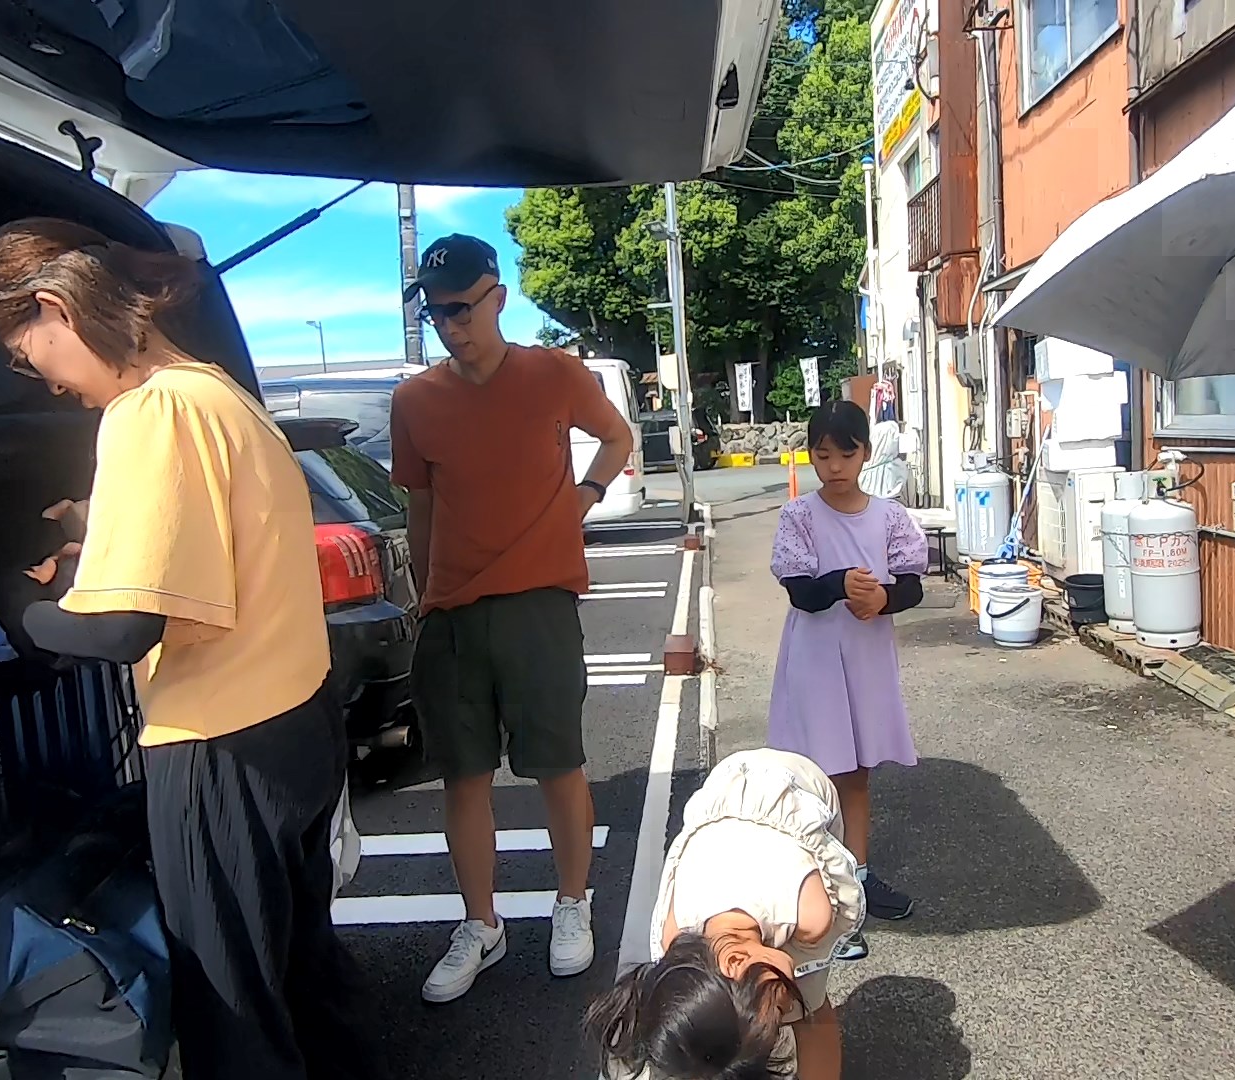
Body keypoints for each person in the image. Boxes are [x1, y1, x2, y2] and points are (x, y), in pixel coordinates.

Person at [0, 217, 373, 1080]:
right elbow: (210, 562)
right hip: (297, 724)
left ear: (53, 308)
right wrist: (88, 557)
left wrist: (16, 608)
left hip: (216, 740)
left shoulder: (146, 413)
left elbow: (124, 629)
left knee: (231, 1012)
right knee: (303, 982)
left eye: (24, 354)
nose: (44, 382)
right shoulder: (219, 395)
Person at [388, 233, 635, 1003]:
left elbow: (617, 437)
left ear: (497, 297)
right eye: (436, 314)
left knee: (558, 762)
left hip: (540, 601)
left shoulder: (553, 373)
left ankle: (572, 902)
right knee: (462, 776)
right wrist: (423, 601)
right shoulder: (414, 401)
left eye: (461, 308)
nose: (449, 325)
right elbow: (421, 509)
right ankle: (481, 923)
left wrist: (585, 497)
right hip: (453, 613)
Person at [585, 747, 863, 1080]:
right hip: (718, 824)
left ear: (735, 961)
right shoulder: (674, 937)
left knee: (810, 1006)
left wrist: (788, 999)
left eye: (777, 1009)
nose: (785, 1008)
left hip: (796, 789)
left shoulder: (810, 916)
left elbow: (802, 992)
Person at [766, 399, 929, 961]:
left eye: (846, 454)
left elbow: (912, 584)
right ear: (811, 455)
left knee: (856, 773)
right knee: (815, 773)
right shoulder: (800, 516)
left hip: (865, 658)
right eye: (822, 454)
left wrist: (882, 598)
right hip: (815, 658)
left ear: (865, 453)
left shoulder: (889, 516)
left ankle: (854, 883)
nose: (834, 466)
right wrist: (840, 584)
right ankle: (818, 892)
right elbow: (801, 592)